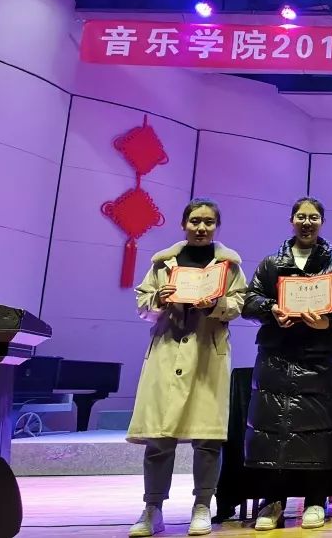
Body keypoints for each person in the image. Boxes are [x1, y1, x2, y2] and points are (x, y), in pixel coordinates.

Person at [127, 200, 248, 538]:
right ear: (184, 224)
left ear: (216, 226)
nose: (201, 228)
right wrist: (160, 299)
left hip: (208, 355)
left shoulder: (229, 265)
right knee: (159, 438)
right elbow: (142, 304)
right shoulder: (162, 263)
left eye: (208, 222)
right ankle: (152, 508)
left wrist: (216, 304)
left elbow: (239, 303)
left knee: (207, 438)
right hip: (167, 352)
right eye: (195, 221)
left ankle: (202, 506)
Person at [243, 197, 332, 531]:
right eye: (301, 216)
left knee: (318, 433)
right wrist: (271, 309)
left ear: (322, 222)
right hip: (276, 357)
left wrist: (328, 321)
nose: (307, 223)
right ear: (291, 220)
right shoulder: (271, 262)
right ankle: (272, 502)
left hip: (319, 360)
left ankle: (315, 501)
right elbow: (249, 301)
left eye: (313, 217)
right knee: (272, 432)